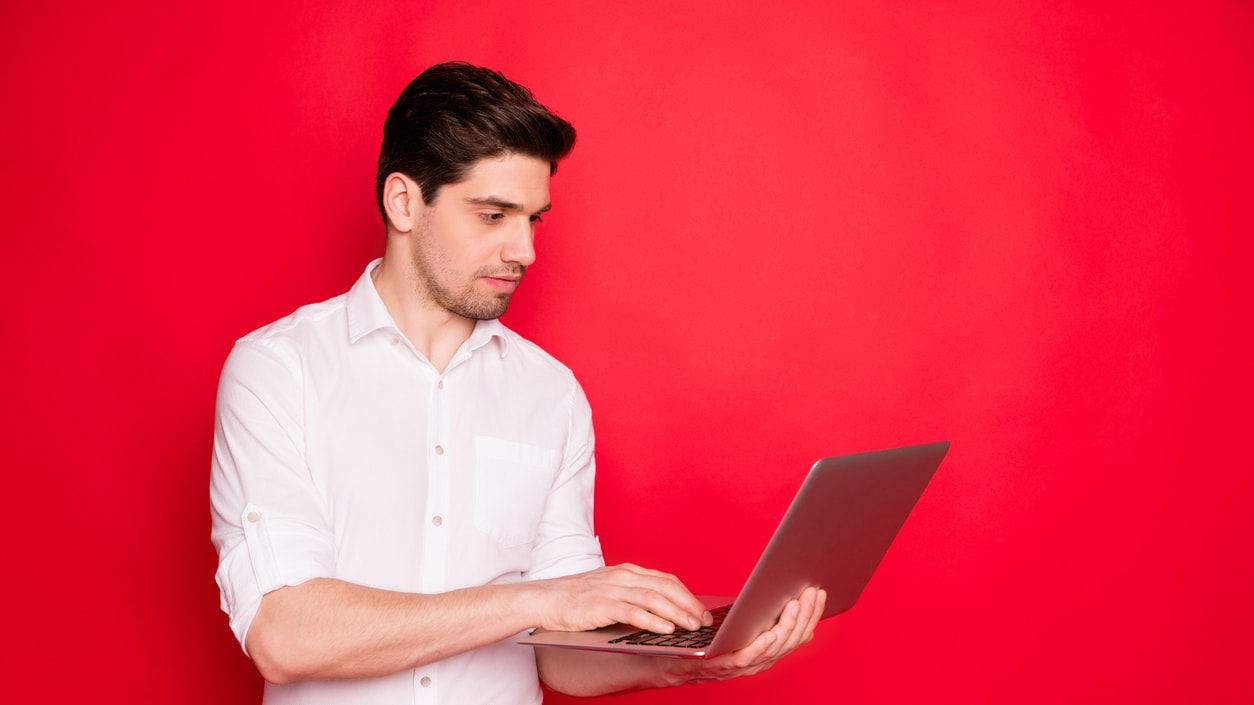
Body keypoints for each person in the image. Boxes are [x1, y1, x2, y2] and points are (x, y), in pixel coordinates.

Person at [209, 61, 826, 704]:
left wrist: (693, 661)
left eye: (533, 219)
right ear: (404, 202)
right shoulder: (280, 370)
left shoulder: (551, 395)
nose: (525, 250)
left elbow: (562, 659)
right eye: (493, 215)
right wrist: (540, 599)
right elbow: (285, 636)